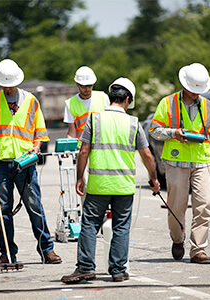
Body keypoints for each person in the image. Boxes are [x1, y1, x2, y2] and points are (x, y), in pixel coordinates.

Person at [61, 77, 160, 284]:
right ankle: (118, 271)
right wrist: (154, 179)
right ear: (128, 100)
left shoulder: (94, 120)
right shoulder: (134, 123)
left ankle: (86, 268)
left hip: (98, 184)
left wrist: (79, 177)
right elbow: (147, 155)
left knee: (89, 224)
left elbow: (84, 151)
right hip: (123, 186)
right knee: (121, 227)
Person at [0, 59, 62, 266]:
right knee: (3, 209)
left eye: (9, 84)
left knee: (34, 206)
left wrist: (36, 147)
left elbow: (39, 132)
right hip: (0, 163)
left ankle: (46, 250)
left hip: (25, 163)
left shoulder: (31, 101)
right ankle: (6, 253)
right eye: (3, 84)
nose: (7, 87)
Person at [149, 63, 210, 264]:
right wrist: (173, 133)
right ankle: (177, 239)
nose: (197, 94)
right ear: (186, 86)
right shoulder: (167, 103)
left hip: (201, 161)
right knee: (176, 207)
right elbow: (154, 131)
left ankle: (198, 250)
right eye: (194, 90)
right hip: (176, 162)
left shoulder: (207, 105)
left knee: (204, 206)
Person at [64, 66, 110, 143]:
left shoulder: (103, 97)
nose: (87, 89)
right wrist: (68, 148)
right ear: (77, 84)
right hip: (82, 147)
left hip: (101, 145)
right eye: (83, 86)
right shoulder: (70, 103)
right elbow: (72, 130)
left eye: (90, 85)